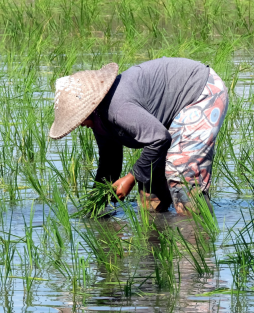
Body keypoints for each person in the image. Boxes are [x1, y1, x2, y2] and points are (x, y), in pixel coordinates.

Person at [49, 57, 229, 215]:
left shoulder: (117, 108)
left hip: (200, 92)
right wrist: (97, 201)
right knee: (149, 194)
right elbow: (109, 162)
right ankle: (156, 247)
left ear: (90, 109)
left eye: (78, 119)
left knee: (181, 174)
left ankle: (196, 240)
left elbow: (159, 138)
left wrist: (130, 178)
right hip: (172, 114)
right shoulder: (99, 118)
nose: (79, 124)